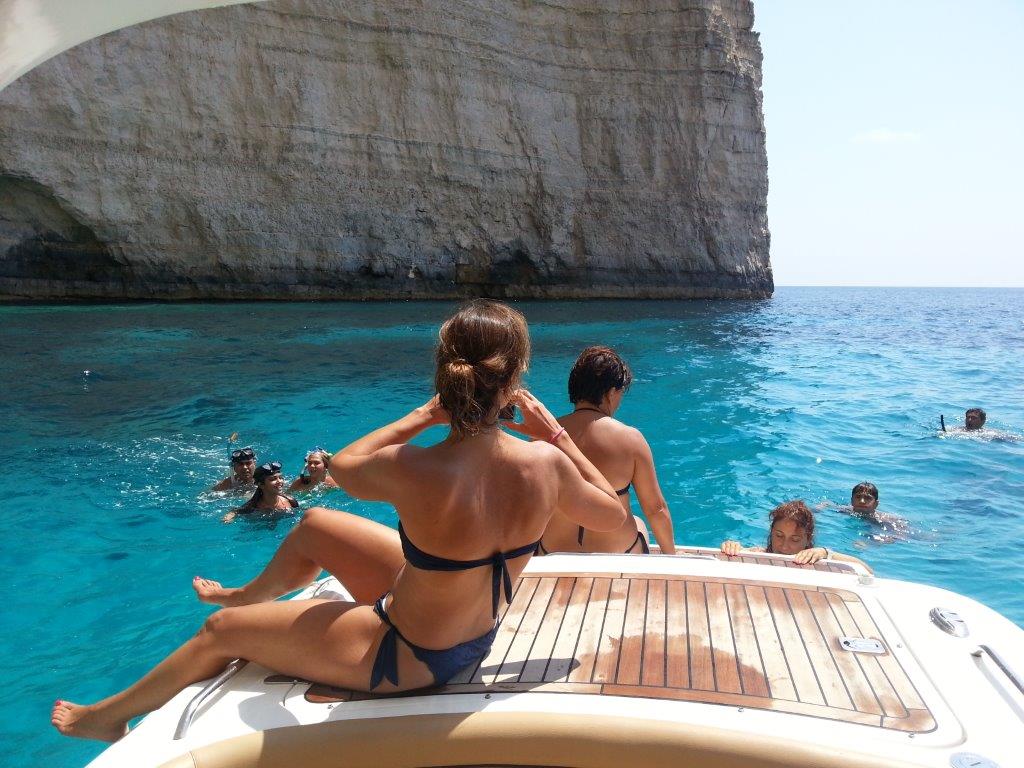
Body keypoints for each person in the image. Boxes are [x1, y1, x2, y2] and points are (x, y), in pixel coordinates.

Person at [52, 299, 625, 743]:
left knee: (219, 633)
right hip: (470, 631)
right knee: (317, 524)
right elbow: (614, 514)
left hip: (408, 655)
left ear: (447, 378)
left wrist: (423, 416)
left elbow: (343, 465)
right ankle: (246, 594)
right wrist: (556, 435)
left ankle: (105, 718)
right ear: (515, 380)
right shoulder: (547, 465)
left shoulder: (414, 466)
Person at [534, 346, 675, 555]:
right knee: (639, 523)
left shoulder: (543, 434)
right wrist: (671, 556)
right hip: (619, 553)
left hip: (553, 551)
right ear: (610, 393)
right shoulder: (631, 439)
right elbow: (656, 509)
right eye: (620, 392)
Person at [720, 500, 872, 572]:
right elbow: (728, 559)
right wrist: (732, 547)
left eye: (795, 539)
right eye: (779, 536)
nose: (784, 547)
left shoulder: (816, 561)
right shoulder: (759, 554)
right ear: (771, 533)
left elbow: (866, 571)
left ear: (808, 539)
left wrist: (826, 553)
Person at [222, 462, 299, 523]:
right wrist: (230, 515)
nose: (279, 481)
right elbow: (236, 511)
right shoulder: (252, 507)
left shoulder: (291, 502)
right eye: (273, 479)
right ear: (261, 485)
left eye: (281, 477)